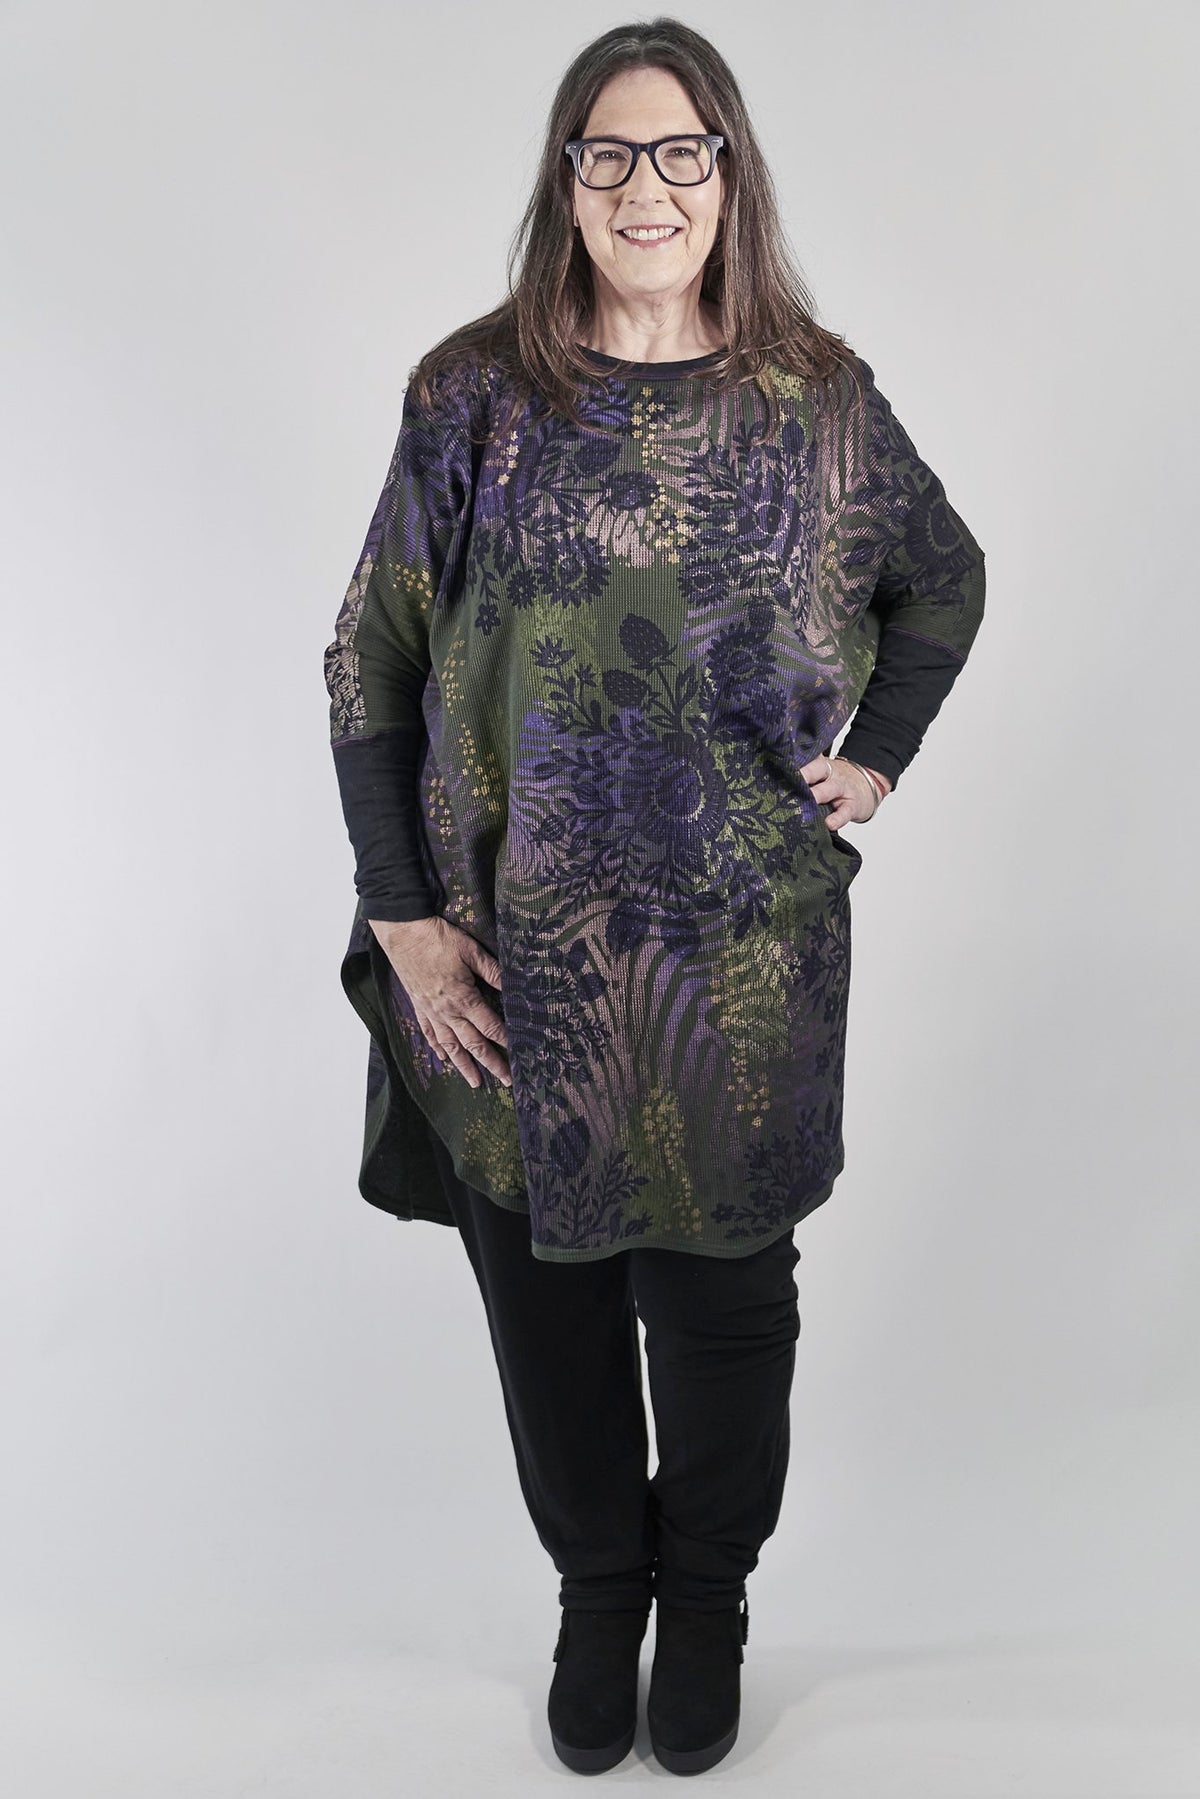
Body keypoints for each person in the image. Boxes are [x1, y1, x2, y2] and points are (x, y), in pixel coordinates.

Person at [323, 16, 985, 1777]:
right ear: (567, 180)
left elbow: (942, 577)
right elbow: (369, 658)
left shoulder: (815, 401)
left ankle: (706, 1601)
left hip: (736, 971)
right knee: (545, 1314)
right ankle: (597, 1593)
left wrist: (878, 753)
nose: (646, 187)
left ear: (728, 174)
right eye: (608, 152)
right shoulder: (473, 396)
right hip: (505, 971)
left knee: (720, 1324)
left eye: (680, 151)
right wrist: (403, 919)